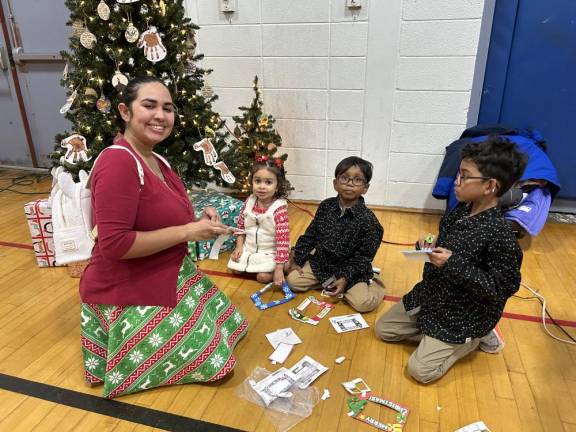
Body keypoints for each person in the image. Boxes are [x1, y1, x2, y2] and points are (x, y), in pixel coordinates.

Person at [79, 76, 248, 398]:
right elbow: (115, 245)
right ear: (124, 112)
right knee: (217, 365)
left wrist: (197, 220)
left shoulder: (156, 160)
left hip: (168, 269)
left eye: (168, 108)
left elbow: (159, 215)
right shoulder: (118, 162)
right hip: (129, 282)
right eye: (149, 105)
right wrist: (188, 231)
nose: (161, 115)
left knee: (231, 328)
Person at [375, 137, 527, 384]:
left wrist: (452, 263)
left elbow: (503, 288)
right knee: (384, 330)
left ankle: (477, 336)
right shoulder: (460, 210)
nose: (457, 181)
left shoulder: (501, 236)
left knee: (420, 371)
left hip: (463, 314)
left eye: (465, 176)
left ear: (489, 186)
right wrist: (428, 247)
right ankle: (435, 338)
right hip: (432, 295)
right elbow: (443, 247)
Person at [286, 156, 385, 313]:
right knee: (293, 282)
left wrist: (345, 278)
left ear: (365, 188)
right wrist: (297, 259)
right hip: (322, 264)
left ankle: (373, 281)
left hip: (351, 271)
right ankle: (329, 283)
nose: (350, 183)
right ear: (335, 183)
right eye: (344, 178)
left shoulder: (369, 221)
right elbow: (310, 236)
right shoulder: (326, 206)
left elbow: (363, 258)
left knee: (363, 304)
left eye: (357, 180)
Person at [227, 156, 291, 286]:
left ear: (277, 186)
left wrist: (279, 269)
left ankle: (287, 262)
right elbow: (240, 227)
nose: (262, 187)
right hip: (250, 249)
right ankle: (254, 264)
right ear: (252, 182)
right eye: (257, 181)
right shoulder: (249, 202)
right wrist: (239, 247)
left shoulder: (279, 209)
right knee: (234, 270)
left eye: (268, 182)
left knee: (262, 277)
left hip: (270, 252)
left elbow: (282, 241)